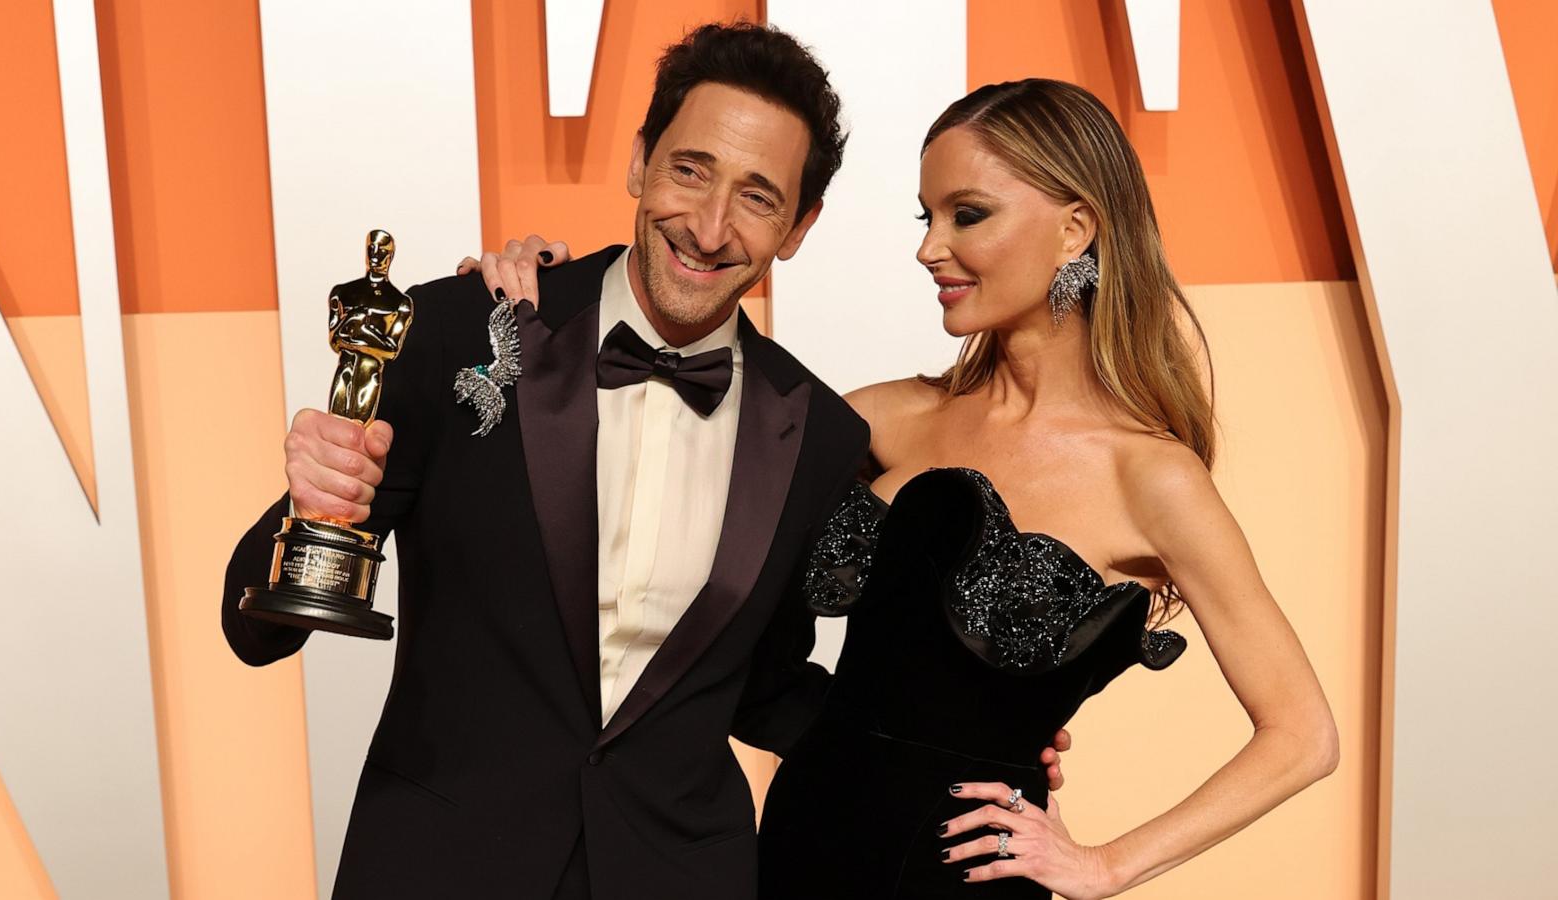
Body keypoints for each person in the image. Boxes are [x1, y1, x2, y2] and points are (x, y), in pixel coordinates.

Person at [222, 23, 1072, 900]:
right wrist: (311, 504)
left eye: (757, 196)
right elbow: (256, 629)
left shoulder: (819, 435)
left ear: (799, 226)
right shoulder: (463, 330)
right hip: (437, 867)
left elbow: (767, 689)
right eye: (690, 170)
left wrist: (976, 735)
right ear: (639, 161)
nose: (708, 228)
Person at [468, 78, 1339, 899]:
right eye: (927, 216)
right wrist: (549, 299)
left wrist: (1105, 864)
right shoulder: (877, 419)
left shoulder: (1150, 476)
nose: (929, 248)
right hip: (792, 856)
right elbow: (649, 471)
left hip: (958, 880)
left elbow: (1303, 736)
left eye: (968, 215)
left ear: (1076, 228)